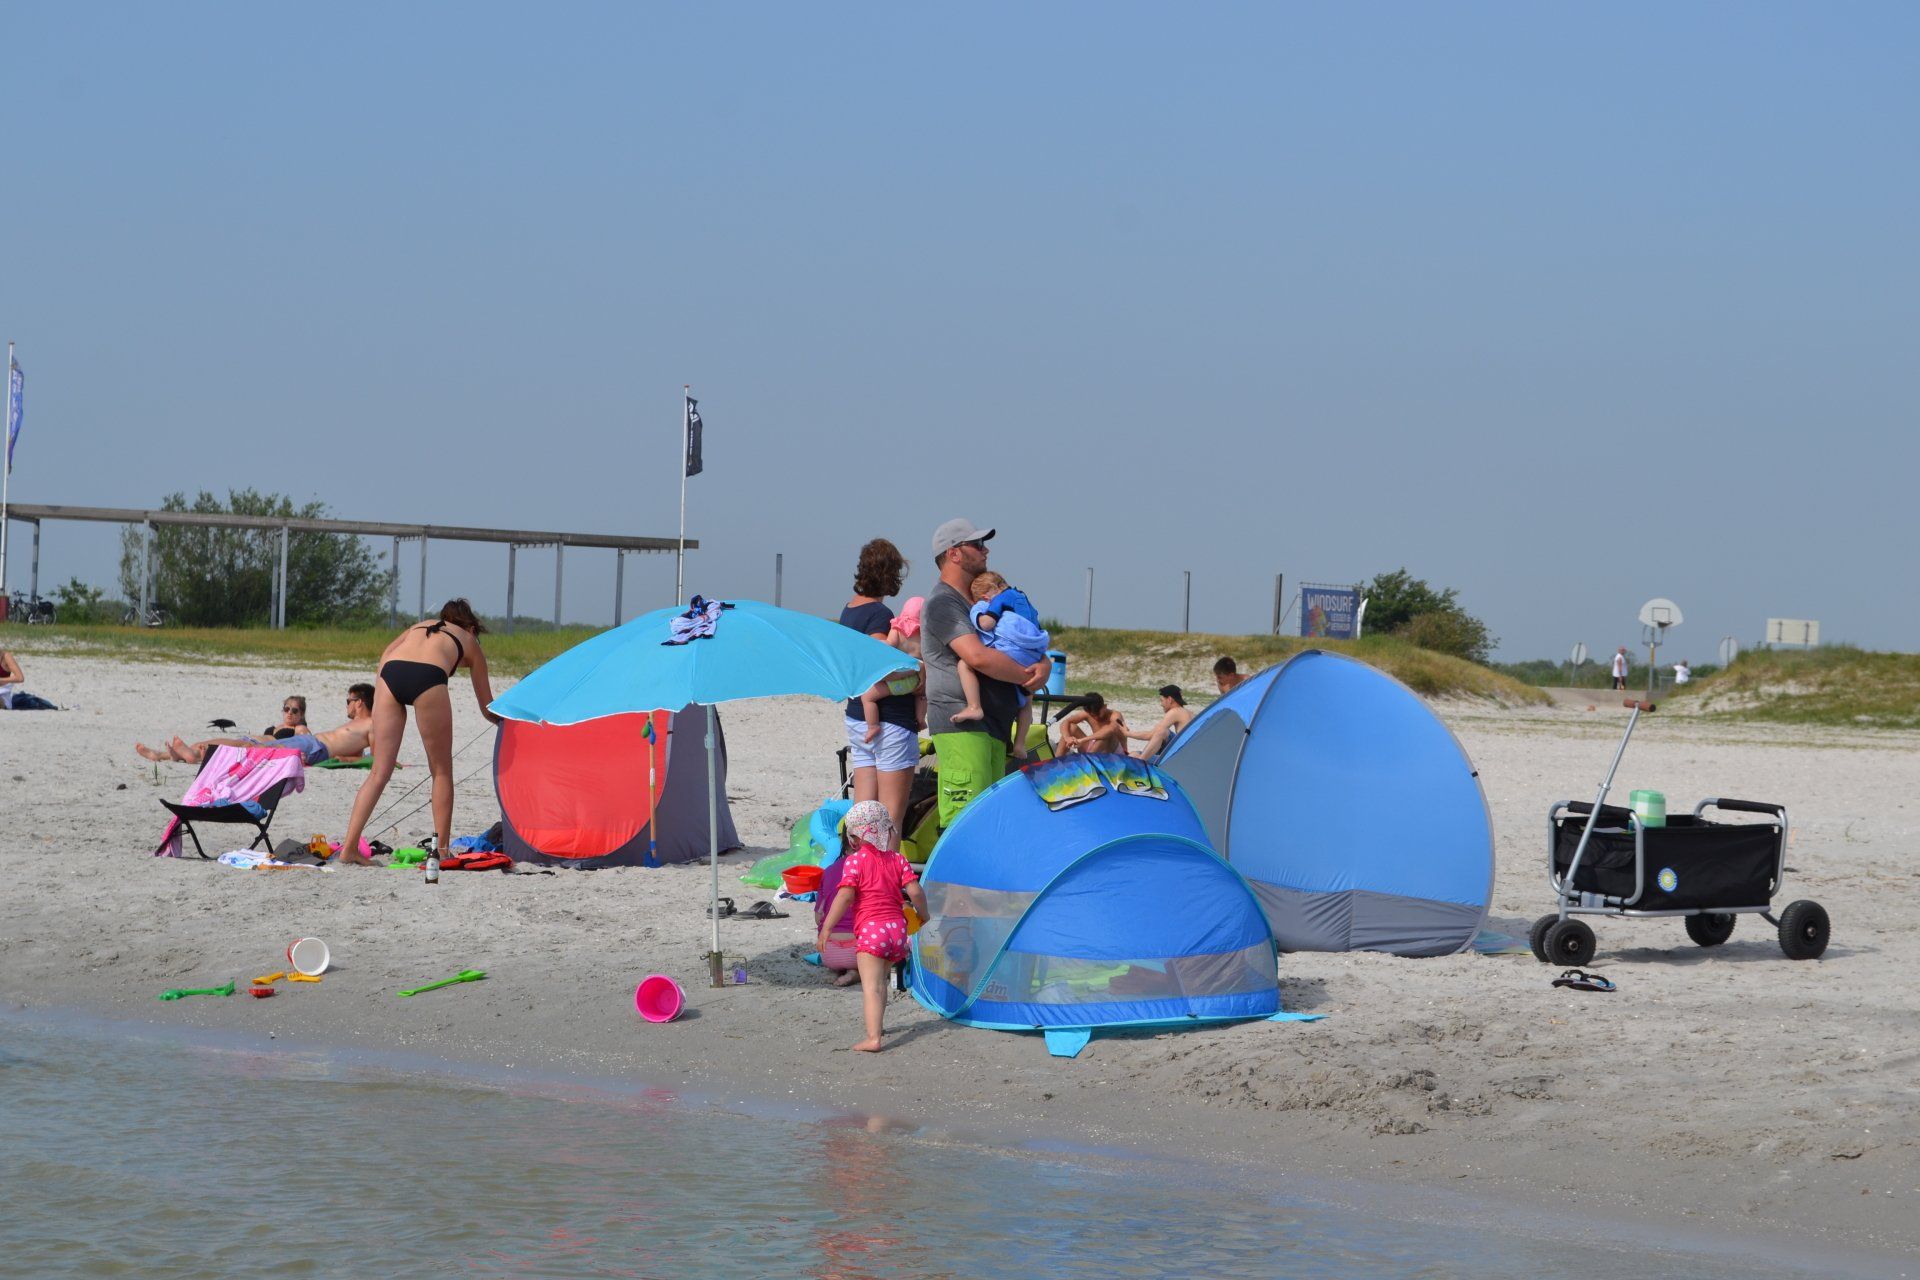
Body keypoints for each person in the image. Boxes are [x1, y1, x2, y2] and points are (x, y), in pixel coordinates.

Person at [337, 600, 500, 866]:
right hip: (428, 676)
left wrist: (382, 698)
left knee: (378, 773)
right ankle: (442, 851)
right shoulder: (469, 640)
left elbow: (386, 655)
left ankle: (350, 848)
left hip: (390, 674)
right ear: (471, 627)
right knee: (441, 771)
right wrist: (507, 724)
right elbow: (487, 707)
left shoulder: (419, 626)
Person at [921, 519, 1050, 829]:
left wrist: (1044, 665)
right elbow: (977, 657)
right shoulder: (943, 603)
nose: (985, 550)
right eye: (977, 545)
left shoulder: (980, 602)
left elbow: (1017, 640)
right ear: (954, 554)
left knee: (988, 821)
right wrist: (1028, 677)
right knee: (964, 821)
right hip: (962, 724)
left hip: (994, 724)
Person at [816, 801, 929, 1053]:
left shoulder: (854, 862)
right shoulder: (898, 859)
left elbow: (845, 896)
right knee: (881, 983)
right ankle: (879, 1026)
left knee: (871, 986)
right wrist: (924, 914)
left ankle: (873, 1038)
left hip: (871, 930)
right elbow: (915, 891)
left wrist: (827, 928)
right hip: (897, 930)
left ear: (855, 838)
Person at [839, 538, 919, 831]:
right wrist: (918, 671)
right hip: (889, 721)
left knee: (864, 814)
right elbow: (880, 664)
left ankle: (861, 860)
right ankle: (884, 863)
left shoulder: (849, 610)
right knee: (889, 818)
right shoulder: (879, 614)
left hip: (858, 715)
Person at [138, 682, 377, 765]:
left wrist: (342, 759)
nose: (347, 705)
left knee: (252, 749)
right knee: (245, 744)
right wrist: (348, 757)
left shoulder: (372, 724)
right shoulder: (358, 726)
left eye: (349, 701)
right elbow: (358, 753)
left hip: (314, 747)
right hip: (311, 744)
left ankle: (199, 755)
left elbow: (375, 759)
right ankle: (173, 754)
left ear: (360, 702)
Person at [957, 570, 1049, 758]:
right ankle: (1020, 744)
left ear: (987, 595)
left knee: (964, 664)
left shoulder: (1001, 598)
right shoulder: (1024, 600)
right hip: (1032, 656)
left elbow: (987, 624)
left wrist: (978, 613)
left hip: (1013, 651)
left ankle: (974, 706)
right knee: (1026, 703)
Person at [858, 596, 925, 744]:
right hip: (916, 680)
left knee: (868, 697)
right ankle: (920, 719)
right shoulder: (925, 632)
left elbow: (889, 644)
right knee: (921, 696)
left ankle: (873, 726)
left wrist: (875, 643)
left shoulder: (898, 627)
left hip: (898, 678)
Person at [1127, 685, 1195, 759]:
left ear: (1169, 699)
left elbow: (1150, 735)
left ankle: (1141, 760)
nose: (1161, 704)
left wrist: (1126, 733)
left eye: (1162, 700)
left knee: (1134, 755)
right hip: (1188, 750)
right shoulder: (1189, 713)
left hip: (1181, 755)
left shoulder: (1175, 711)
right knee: (1164, 732)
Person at [1057, 691, 1129, 755]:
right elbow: (1066, 722)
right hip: (1094, 748)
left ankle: (1088, 761)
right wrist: (1067, 738)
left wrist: (1082, 740)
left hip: (1114, 753)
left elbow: (1110, 730)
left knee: (1103, 737)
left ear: (1104, 707)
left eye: (1098, 714)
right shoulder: (1088, 713)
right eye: (1093, 716)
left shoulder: (1115, 715)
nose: (1096, 718)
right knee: (1071, 727)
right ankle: (1056, 760)